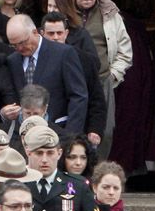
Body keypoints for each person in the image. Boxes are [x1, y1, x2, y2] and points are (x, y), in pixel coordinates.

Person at [73, 0, 133, 158]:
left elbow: (125, 50)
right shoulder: (64, 12)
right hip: (71, 79)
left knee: (104, 132)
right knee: (74, 129)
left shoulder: (110, 13)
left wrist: (114, 74)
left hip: (102, 79)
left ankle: (97, 174)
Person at [6, 15, 88, 134]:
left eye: (22, 42)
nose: (19, 48)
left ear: (35, 32)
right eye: (14, 45)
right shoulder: (13, 61)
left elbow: (78, 96)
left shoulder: (63, 53)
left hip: (58, 131)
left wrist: (71, 135)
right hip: (25, 135)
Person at [40, 12, 107, 147]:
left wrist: (95, 129)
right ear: (42, 33)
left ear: (66, 33)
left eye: (59, 33)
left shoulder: (85, 60)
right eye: (51, 34)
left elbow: (97, 99)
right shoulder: (34, 59)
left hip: (78, 130)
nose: (56, 38)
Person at [44, 0, 100, 71]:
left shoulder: (80, 34)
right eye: (49, 6)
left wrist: (69, 49)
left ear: (66, 8)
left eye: (56, 7)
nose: (51, 10)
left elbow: (95, 64)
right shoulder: (41, 32)